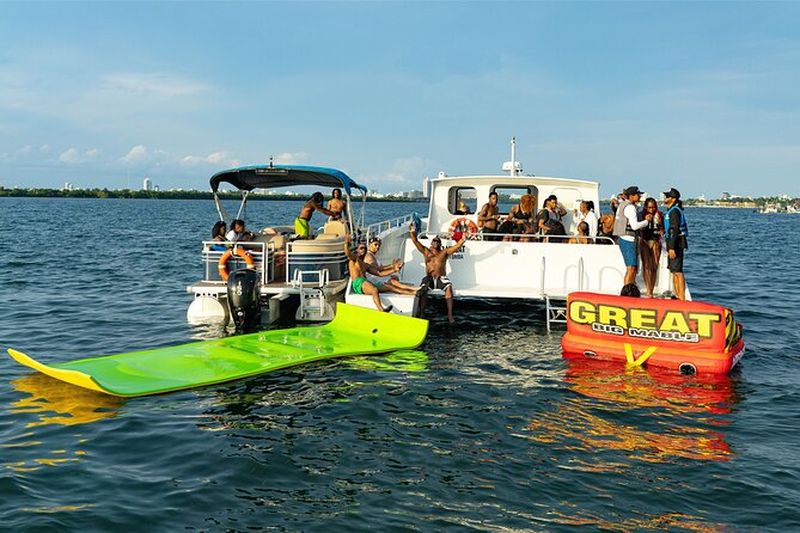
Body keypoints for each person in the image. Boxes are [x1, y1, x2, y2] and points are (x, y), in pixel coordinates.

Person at [409, 222, 466, 324]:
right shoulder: (426, 251)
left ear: (440, 244)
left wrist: (463, 239)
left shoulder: (444, 253)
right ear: (431, 243)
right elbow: (415, 241)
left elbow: (456, 246)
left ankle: (449, 315)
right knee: (423, 290)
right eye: (434, 241)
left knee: (449, 288)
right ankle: (422, 313)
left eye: (438, 241)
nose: (435, 242)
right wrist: (412, 231)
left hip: (441, 278)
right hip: (429, 277)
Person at [343, 236, 401, 312]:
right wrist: (346, 243)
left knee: (390, 287)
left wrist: (394, 269)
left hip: (365, 282)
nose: (363, 250)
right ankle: (381, 310)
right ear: (357, 250)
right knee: (374, 290)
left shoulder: (365, 264)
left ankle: (413, 293)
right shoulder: (354, 259)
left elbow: (379, 272)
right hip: (358, 282)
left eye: (364, 248)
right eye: (361, 248)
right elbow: (348, 254)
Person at [613, 186, 652, 285]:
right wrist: (647, 221)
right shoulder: (630, 208)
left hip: (622, 238)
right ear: (631, 196)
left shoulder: (622, 205)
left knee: (631, 268)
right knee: (631, 268)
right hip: (628, 239)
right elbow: (634, 226)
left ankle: (628, 289)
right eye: (638, 194)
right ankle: (626, 291)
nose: (639, 196)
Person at [663, 187, 688, 300]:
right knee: (673, 270)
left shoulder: (674, 212)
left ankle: (682, 297)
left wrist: (672, 247)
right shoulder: (671, 210)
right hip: (671, 241)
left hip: (676, 242)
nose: (665, 198)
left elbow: (674, 229)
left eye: (667, 196)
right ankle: (677, 294)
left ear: (673, 199)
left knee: (677, 271)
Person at [638, 197, 664, 297]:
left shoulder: (660, 215)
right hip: (644, 240)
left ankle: (651, 290)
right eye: (649, 207)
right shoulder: (641, 214)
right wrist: (646, 220)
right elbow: (638, 228)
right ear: (645, 207)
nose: (651, 210)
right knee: (647, 266)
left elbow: (662, 229)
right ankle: (648, 290)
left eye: (653, 207)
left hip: (656, 241)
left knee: (654, 266)